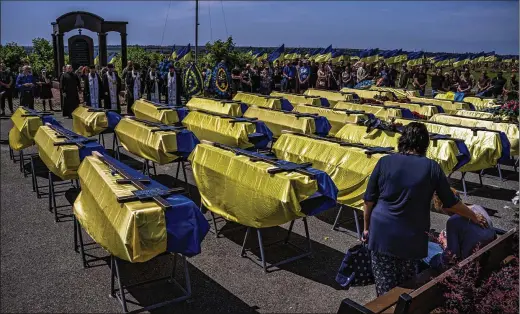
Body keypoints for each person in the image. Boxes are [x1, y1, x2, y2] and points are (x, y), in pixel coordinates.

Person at [362, 122, 488, 296]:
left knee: (385, 289)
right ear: (424, 144)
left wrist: (366, 228)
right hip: (412, 237)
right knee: (406, 286)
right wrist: (473, 215)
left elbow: (368, 201)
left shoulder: (384, 162)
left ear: (403, 140)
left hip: (381, 234)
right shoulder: (431, 167)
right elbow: (450, 203)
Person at [428, 188, 496, 269]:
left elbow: (452, 256)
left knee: (425, 250)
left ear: (444, 207)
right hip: (487, 255)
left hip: (468, 265)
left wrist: (445, 243)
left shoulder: (453, 221)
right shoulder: (479, 208)